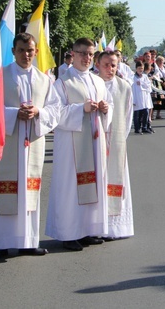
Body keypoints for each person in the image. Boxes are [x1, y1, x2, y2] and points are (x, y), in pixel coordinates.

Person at [0, 33, 61, 260]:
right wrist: (15, 113)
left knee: (29, 191)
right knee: (4, 189)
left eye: (30, 50)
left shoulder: (45, 80)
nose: (26, 54)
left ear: (36, 52)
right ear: (14, 51)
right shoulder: (0, 76)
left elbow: (55, 109)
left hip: (32, 142)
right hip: (6, 143)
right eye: (22, 50)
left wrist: (38, 112)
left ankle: (27, 241)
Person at [47, 38, 112, 251]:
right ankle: (68, 233)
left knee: (92, 184)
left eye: (90, 54)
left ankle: (86, 230)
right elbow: (55, 114)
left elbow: (109, 108)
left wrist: (104, 109)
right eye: (82, 53)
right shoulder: (62, 83)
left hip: (94, 142)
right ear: (73, 54)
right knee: (70, 188)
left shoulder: (98, 81)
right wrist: (79, 109)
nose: (86, 58)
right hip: (71, 146)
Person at [96, 51, 134, 239]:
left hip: (116, 142)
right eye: (106, 65)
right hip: (96, 141)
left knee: (114, 180)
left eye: (114, 65)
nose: (110, 69)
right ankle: (95, 226)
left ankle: (115, 227)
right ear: (98, 64)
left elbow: (127, 116)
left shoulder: (125, 87)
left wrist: (118, 139)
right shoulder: (93, 84)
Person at [131, 61, 153, 134]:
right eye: (139, 68)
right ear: (136, 68)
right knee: (137, 114)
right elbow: (131, 89)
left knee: (145, 113)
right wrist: (133, 101)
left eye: (142, 68)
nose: (141, 70)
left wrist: (142, 83)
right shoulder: (133, 78)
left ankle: (144, 127)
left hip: (144, 98)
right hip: (137, 98)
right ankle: (137, 128)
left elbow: (148, 86)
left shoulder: (145, 76)